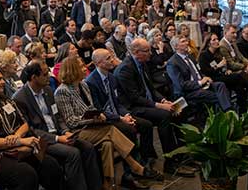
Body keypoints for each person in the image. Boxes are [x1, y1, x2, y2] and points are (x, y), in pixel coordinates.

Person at [54, 56, 160, 189]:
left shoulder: (83, 85)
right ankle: (135, 165)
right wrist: (93, 119)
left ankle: (108, 184)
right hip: (77, 131)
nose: (85, 68)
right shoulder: (62, 91)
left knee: (108, 144)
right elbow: (71, 121)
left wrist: (99, 116)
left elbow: (91, 108)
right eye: (81, 67)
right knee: (111, 130)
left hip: (93, 128)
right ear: (73, 70)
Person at [0, 67, 63, 190]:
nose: (3, 82)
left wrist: (16, 136)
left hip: (17, 147)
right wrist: (19, 141)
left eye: (3, 79)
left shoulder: (5, 101)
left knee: (51, 166)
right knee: (26, 175)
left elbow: (25, 124)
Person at [13, 61, 102, 190]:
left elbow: (57, 116)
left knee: (87, 147)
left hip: (58, 133)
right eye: (44, 74)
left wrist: (65, 132)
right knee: (73, 153)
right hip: (43, 140)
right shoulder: (20, 98)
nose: (49, 76)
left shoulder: (48, 90)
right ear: (34, 78)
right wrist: (57, 139)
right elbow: (31, 130)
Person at [114, 39, 192, 177]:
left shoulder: (142, 63)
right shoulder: (125, 69)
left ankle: (181, 154)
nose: (151, 53)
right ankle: (170, 161)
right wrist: (160, 106)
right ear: (136, 53)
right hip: (132, 108)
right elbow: (134, 98)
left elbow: (150, 87)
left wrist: (163, 100)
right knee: (165, 116)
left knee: (179, 111)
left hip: (145, 103)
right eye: (147, 51)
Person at [86, 49, 156, 169]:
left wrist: (127, 115)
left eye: (111, 57)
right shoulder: (91, 82)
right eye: (108, 58)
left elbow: (117, 102)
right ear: (98, 63)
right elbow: (99, 109)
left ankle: (146, 159)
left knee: (146, 125)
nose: (112, 60)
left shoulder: (112, 77)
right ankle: (131, 171)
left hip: (118, 115)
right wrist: (120, 118)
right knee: (130, 130)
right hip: (105, 119)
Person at [198, 33, 248, 113]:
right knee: (238, 77)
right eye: (214, 40)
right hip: (212, 79)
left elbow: (224, 67)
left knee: (239, 86)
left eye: (217, 39)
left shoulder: (218, 52)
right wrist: (218, 66)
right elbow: (207, 72)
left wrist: (226, 70)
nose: (217, 41)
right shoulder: (204, 55)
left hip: (222, 76)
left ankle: (242, 113)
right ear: (209, 43)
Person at [165, 35, 232, 115]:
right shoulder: (172, 63)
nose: (187, 43)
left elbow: (198, 71)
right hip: (189, 91)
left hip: (202, 85)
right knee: (217, 96)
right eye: (183, 42)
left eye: (186, 41)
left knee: (221, 85)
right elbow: (181, 85)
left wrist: (204, 77)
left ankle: (227, 113)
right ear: (176, 46)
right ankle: (228, 114)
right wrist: (200, 82)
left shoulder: (190, 57)